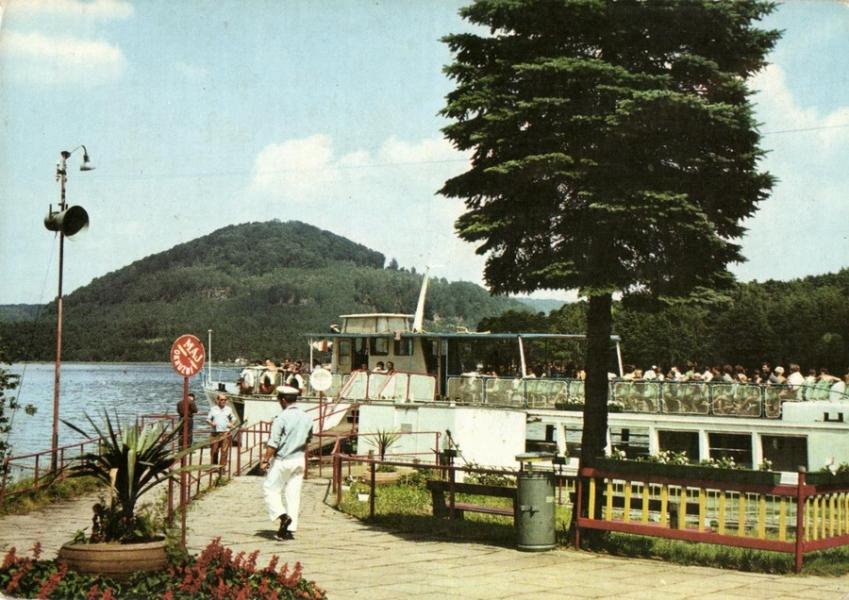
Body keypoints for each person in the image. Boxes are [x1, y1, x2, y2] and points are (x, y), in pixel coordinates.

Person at [261, 385, 314, 541]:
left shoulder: (281, 418)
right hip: (299, 459)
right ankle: (289, 530)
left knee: (270, 489)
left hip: (283, 460)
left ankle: (282, 516)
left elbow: (273, 443)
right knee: (293, 494)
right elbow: (309, 439)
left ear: (283, 400)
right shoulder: (307, 417)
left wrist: (265, 460)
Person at [208, 394, 238, 465]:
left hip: (225, 433)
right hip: (215, 433)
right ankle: (214, 467)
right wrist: (212, 423)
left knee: (224, 451)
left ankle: (222, 468)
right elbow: (208, 419)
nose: (223, 401)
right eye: (221, 400)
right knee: (214, 451)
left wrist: (231, 424)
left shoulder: (228, 409)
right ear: (217, 400)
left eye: (225, 400)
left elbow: (234, 419)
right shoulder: (213, 409)